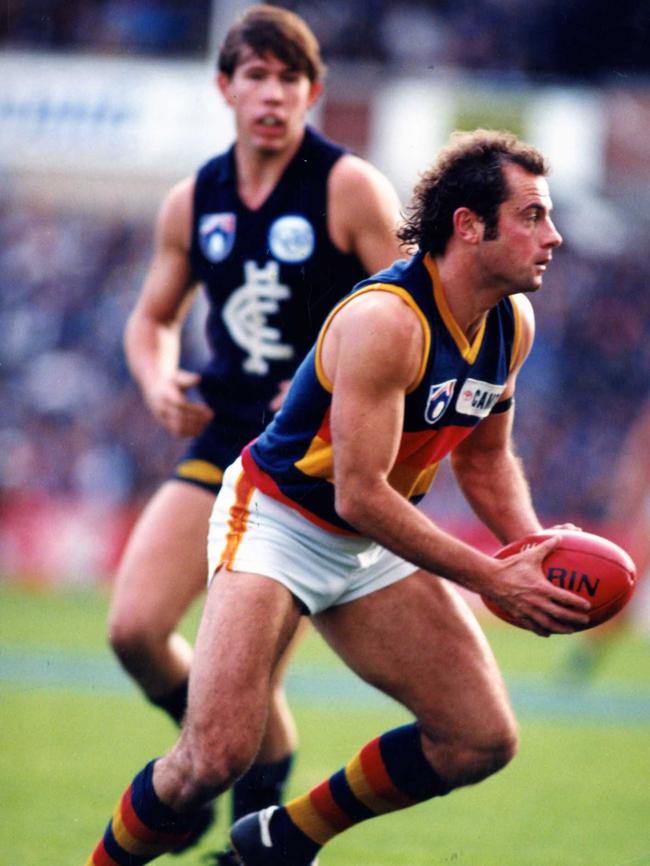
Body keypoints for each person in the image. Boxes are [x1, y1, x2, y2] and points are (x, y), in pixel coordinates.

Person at [85, 129, 592, 866]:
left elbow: (484, 462)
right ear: (468, 225)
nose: (554, 236)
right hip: (280, 521)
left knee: (481, 739)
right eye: (533, 215)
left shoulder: (511, 323)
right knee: (213, 757)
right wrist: (488, 577)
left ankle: (282, 839)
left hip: (372, 539)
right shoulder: (387, 321)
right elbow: (358, 494)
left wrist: (531, 552)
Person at [105, 3, 404, 855]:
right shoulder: (192, 200)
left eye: (289, 79)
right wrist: (158, 377)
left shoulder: (348, 186)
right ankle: (211, 758)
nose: (272, 95)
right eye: (256, 77)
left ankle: (243, 814)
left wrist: (333, 386)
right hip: (222, 433)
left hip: (309, 458)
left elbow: (410, 313)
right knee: (133, 629)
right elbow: (151, 319)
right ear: (225, 87)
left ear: (314, 91)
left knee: (249, 676)